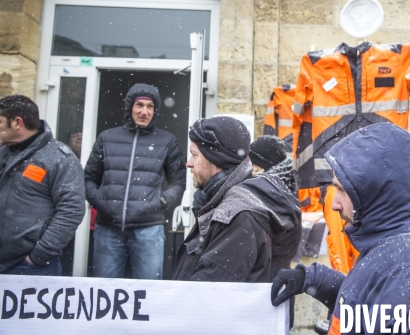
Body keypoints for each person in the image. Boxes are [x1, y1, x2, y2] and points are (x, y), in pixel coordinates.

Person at [271, 123, 410, 334]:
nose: (335, 204)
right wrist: (315, 280)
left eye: (342, 191)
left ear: (374, 192)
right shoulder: (396, 239)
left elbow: (392, 297)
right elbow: (373, 302)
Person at [173, 116, 300, 282]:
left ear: (216, 158)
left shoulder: (236, 215)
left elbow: (208, 293)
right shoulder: (223, 204)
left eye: (194, 155)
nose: (189, 163)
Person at [84, 83, 186, 280]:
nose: (144, 111)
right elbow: (89, 178)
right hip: (108, 228)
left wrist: (161, 202)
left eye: (150, 107)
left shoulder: (167, 141)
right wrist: (101, 203)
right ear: (130, 107)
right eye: (139, 105)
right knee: (105, 291)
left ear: (155, 111)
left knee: (148, 291)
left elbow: (178, 182)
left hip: (148, 229)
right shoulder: (107, 137)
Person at [0, 95, 85, 276]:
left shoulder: (59, 158)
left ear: (17, 123)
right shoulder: (3, 152)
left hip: (28, 266)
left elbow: (71, 210)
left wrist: (39, 256)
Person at [249, 135, 302, 279]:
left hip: (268, 282)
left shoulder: (268, 195)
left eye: (251, 164)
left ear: (259, 167)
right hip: (278, 278)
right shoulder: (285, 190)